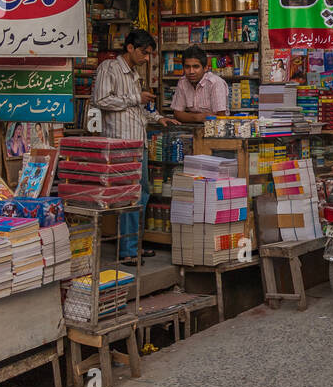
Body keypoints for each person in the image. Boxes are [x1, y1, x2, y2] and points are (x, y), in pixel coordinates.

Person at [92, 29, 178, 266]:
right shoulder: (110, 68)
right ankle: (127, 250)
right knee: (130, 196)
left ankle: (134, 246)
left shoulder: (133, 74)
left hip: (137, 143)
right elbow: (100, 100)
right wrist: (135, 99)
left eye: (150, 54)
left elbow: (136, 109)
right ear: (130, 48)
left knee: (142, 194)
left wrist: (157, 117)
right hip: (121, 144)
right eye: (144, 52)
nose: (147, 58)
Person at [171, 45, 230, 123]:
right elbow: (177, 113)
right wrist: (198, 117)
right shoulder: (183, 82)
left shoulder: (215, 83)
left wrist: (187, 116)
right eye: (187, 67)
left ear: (205, 68)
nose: (191, 71)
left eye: (196, 67)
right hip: (192, 128)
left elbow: (220, 117)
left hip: (215, 129)